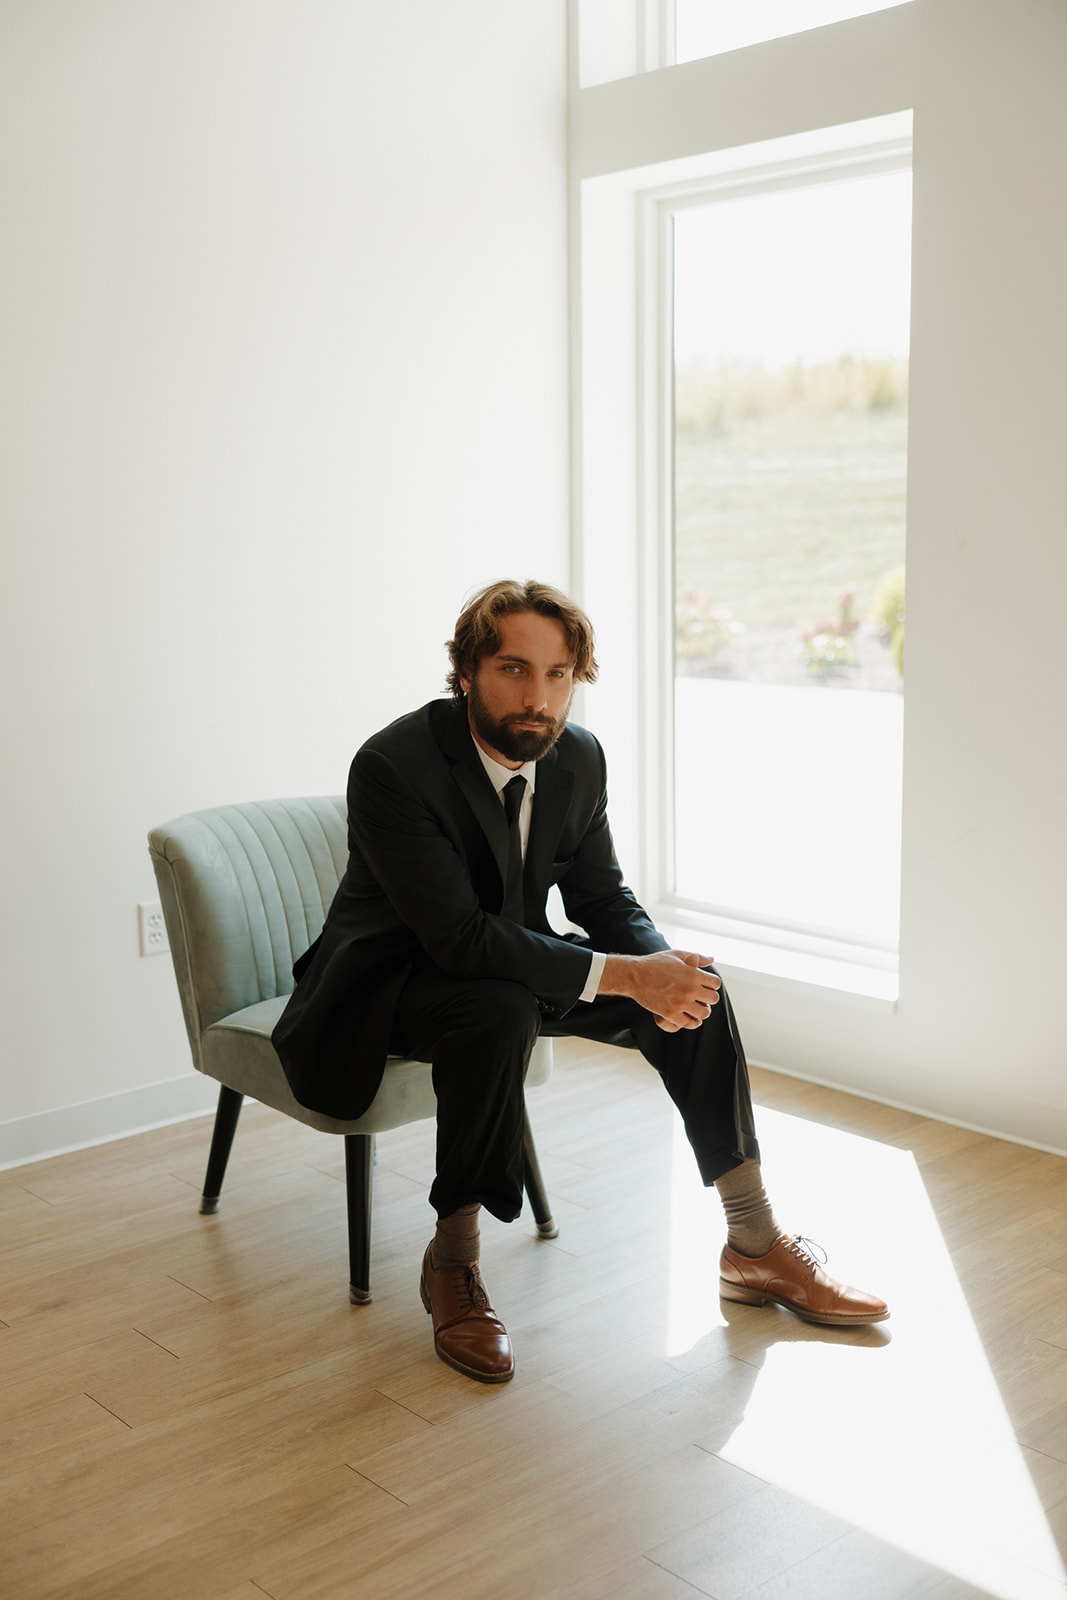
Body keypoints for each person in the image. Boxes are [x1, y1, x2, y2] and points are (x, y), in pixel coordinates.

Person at [272, 578, 888, 1383]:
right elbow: (455, 938)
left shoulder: (576, 758)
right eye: (514, 670)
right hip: (388, 985)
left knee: (698, 993)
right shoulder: (395, 765)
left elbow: (600, 896)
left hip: (514, 966)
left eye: (558, 674)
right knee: (493, 1008)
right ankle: (451, 1265)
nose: (538, 698)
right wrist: (623, 975)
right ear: (466, 673)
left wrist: (661, 973)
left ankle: (754, 1243)